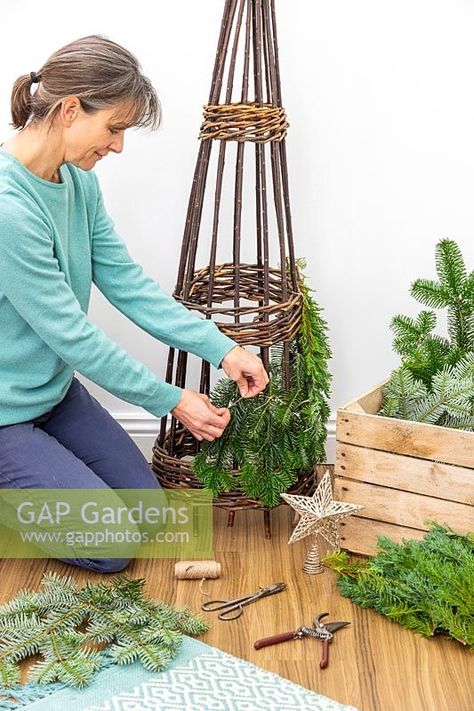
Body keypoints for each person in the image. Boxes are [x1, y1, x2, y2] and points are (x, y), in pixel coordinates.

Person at [0, 35, 269, 573]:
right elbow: (73, 336)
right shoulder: (9, 210)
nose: (118, 146)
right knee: (112, 546)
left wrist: (224, 349)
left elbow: (127, 284)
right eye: (115, 128)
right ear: (71, 110)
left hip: (51, 396)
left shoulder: (77, 182)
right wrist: (172, 400)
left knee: (147, 513)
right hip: (5, 414)